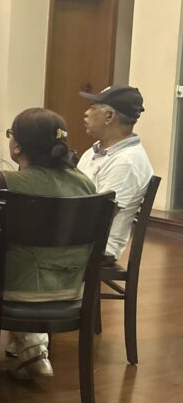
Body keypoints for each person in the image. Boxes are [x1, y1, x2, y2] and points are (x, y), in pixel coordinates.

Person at [0, 108, 95, 382]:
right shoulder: (85, 184)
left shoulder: (6, 182)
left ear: (17, 147)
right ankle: (35, 352)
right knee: (25, 268)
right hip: (70, 287)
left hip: (11, 286)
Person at [76, 86, 154, 267]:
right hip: (80, 237)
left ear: (109, 117)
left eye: (93, 108)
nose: (86, 113)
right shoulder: (96, 150)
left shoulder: (127, 161)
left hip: (97, 246)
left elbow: (101, 216)